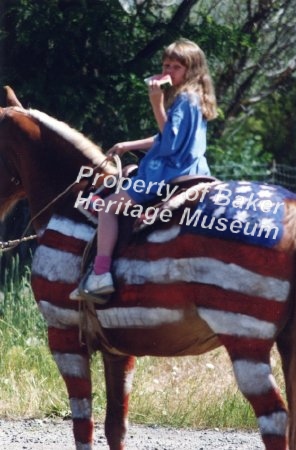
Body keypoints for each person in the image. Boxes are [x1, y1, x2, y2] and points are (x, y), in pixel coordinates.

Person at [71, 38, 217, 302]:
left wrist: (155, 102)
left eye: (175, 67)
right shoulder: (196, 98)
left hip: (168, 172)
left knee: (108, 207)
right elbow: (166, 136)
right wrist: (128, 145)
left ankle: (101, 274)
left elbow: (170, 142)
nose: (168, 71)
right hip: (192, 167)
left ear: (191, 70)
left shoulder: (183, 100)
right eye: (165, 65)